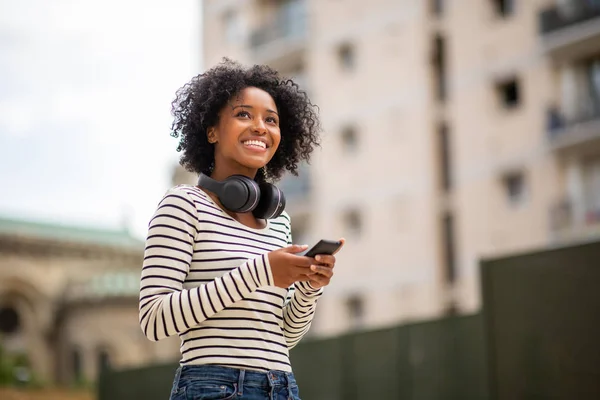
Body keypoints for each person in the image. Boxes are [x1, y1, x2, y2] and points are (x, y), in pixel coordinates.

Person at [139, 58, 344, 400]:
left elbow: (283, 335)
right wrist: (261, 271)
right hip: (212, 385)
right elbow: (155, 320)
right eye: (244, 114)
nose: (261, 127)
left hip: (281, 386)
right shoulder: (183, 205)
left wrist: (309, 288)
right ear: (212, 130)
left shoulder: (278, 221)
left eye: (271, 120)